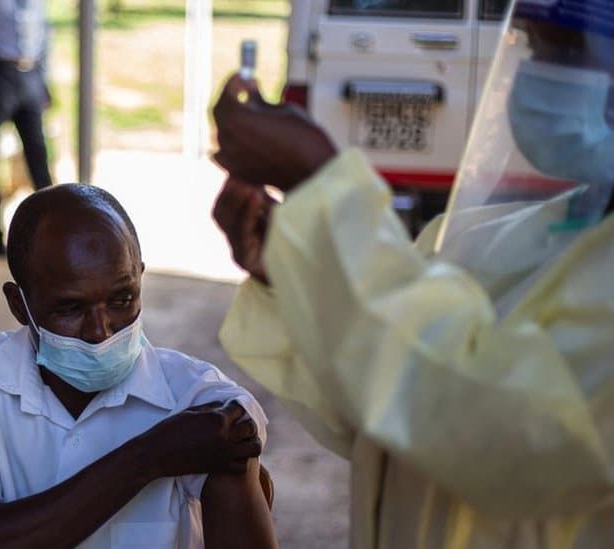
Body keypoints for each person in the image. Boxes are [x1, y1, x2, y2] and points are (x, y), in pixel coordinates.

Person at [211, 0, 614, 547]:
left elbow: (511, 439)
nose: (539, 75)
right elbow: (386, 413)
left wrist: (325, 189)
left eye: (569, 51)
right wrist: (289, 279)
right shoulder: (494, 240)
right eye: (535, 46)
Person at [0, 184, 277, 548]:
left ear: (140, 277)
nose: (100, 331)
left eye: (122, 299)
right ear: (18, 305)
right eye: (70, 309)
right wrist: (150, 456)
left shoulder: (199, 400)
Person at [0, 0, 54, 255]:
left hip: (31, 73)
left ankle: (52, 229)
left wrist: (45, 79)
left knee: (38, 154)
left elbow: (44, 27)